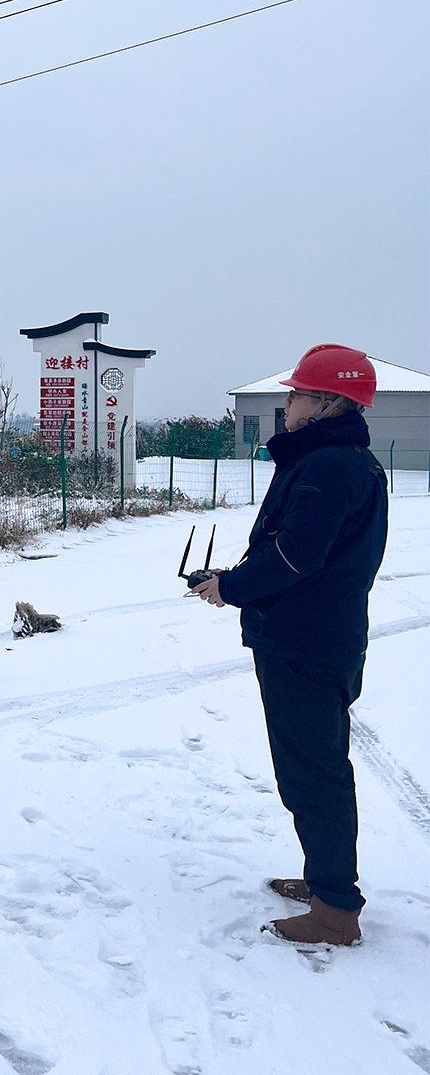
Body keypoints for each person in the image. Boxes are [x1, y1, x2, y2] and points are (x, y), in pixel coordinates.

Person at [191, 345, 387, 947]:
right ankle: (327, 880)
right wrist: (238, 579)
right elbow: (299, 548)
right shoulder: (343, 462)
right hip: (319, 637)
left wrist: (232, 588)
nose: (288, 403)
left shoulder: (328, 466)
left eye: (297, 393)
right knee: (311, 769)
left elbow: (295, 556)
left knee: (313, 774)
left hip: (306, 645)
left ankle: (335, 911)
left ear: (327, 402)